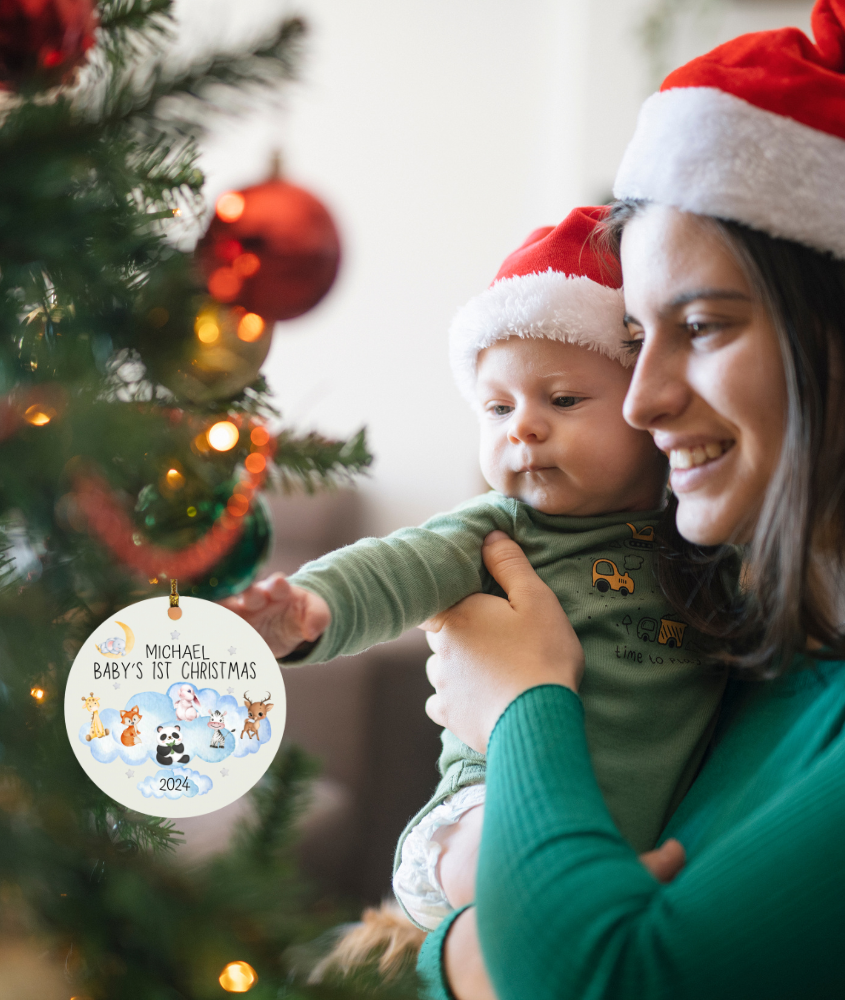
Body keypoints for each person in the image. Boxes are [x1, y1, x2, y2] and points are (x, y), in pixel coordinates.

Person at [418, 3, 845, 997]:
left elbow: (589, 978)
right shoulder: (734, 640)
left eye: (701, 325)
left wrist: (525, 699)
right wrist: (468, 928)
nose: (645, 401)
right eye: (636, 339)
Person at [223, 206, 727, 931]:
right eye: (497, 407)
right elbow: (392, 569)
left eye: (562, 399)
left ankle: (572, 906)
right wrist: (310, 608)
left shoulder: (699, 540)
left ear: (647, 409)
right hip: (486, 811)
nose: (522, 426)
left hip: (642, 835)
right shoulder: (498, 528)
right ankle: (535, 896)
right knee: (491, 840)